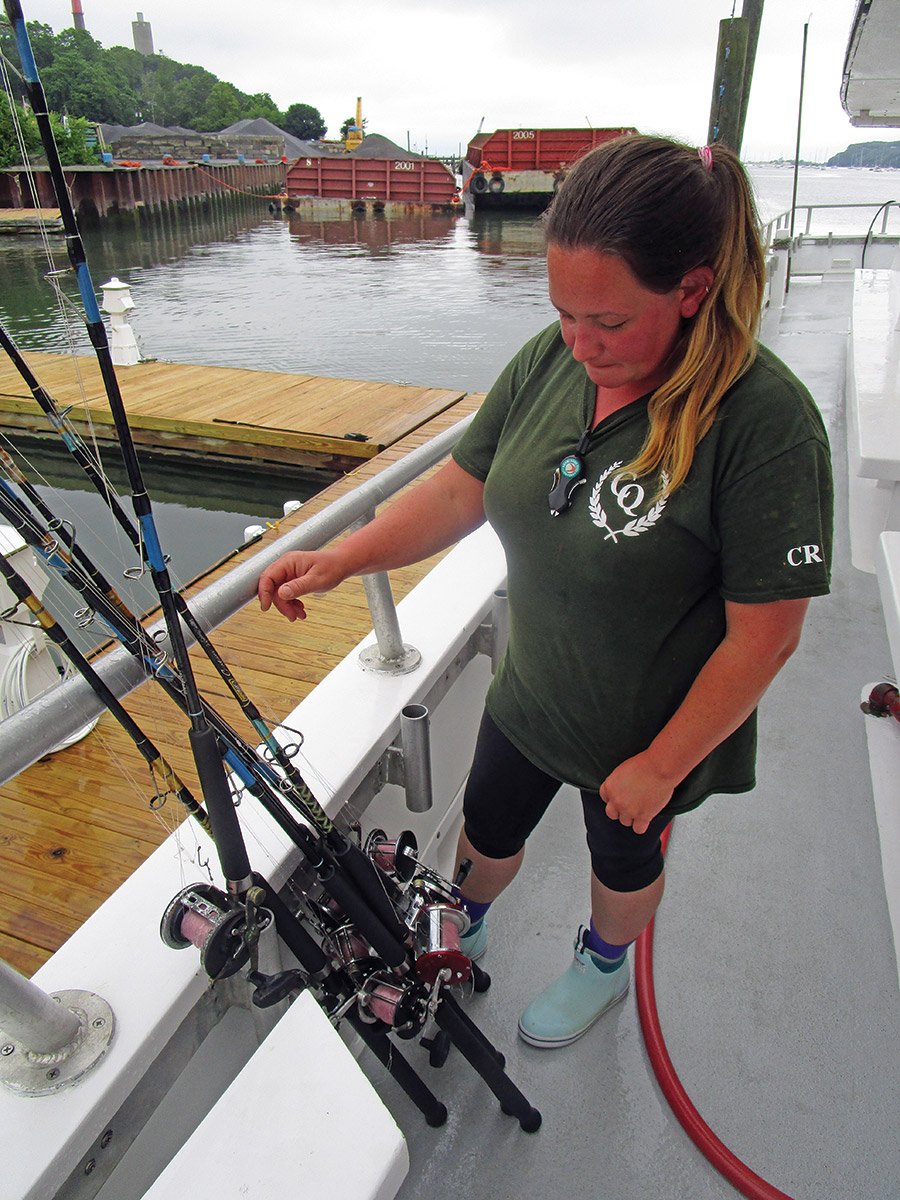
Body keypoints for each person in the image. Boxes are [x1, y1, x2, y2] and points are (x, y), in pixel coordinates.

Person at [258, 134, 833, 1049]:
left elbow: (764, 638)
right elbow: (462, 485)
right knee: (484, 831)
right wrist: (342, 556)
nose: (580, 342)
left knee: (621, 859)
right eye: (564, 312)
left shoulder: (767, 424)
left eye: (608, 323)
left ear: (690, 290)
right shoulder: (551, 360)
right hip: (531, 694)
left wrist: (662, 764)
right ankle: (464, 928)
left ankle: (603, 965)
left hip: (644, 736)